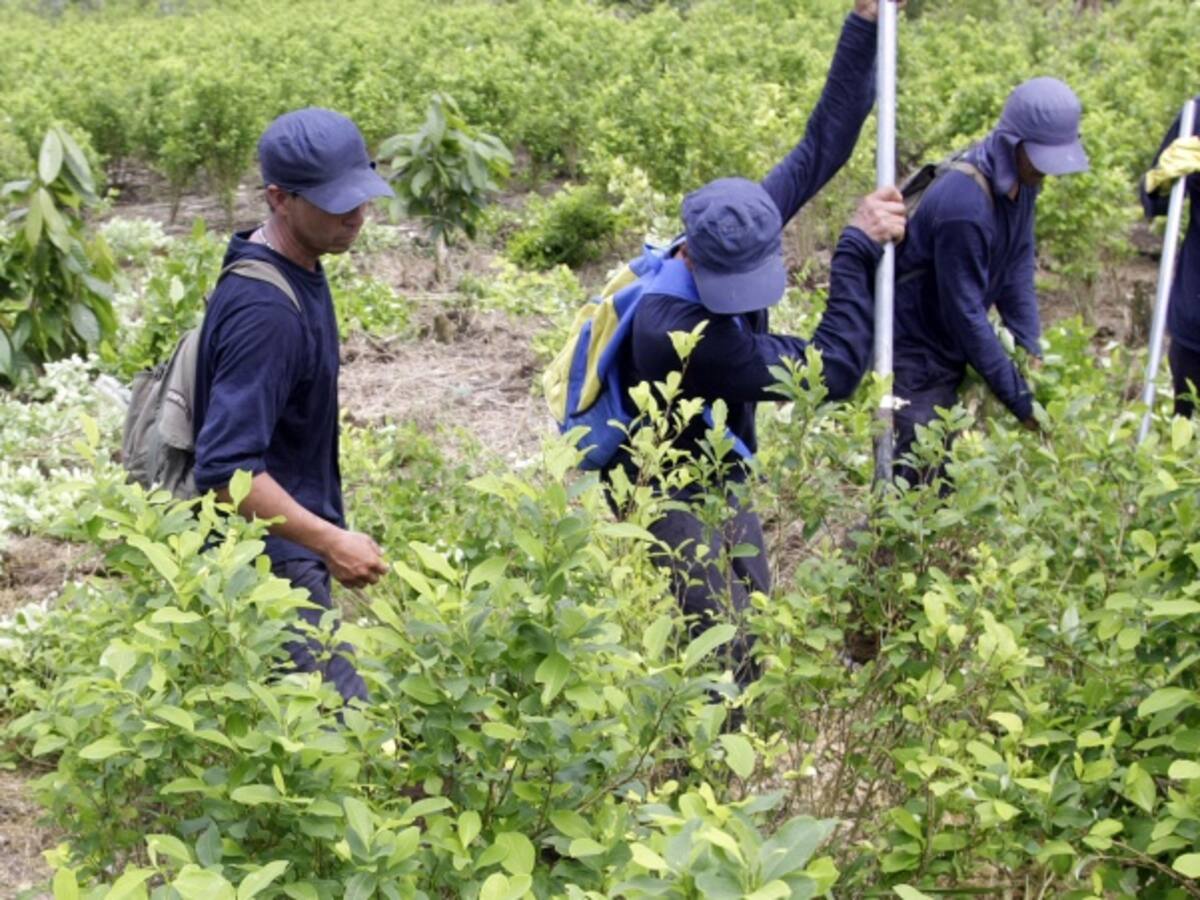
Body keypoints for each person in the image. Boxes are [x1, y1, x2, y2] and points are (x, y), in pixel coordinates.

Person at [606, 0, 907, 685]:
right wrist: (854, 250)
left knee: (757, 613)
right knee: (721, 638)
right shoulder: (676, 333)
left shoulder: (733, 224)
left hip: (721, 463)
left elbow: (822, 146)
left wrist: (863, 24)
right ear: (695, 261)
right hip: (665, 481)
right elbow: (829, 373)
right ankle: (694, 769)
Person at [192, 108, 393, 704]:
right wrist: (329, 542)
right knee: (341, 729)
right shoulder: (268, 312)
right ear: (279, 198)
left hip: (287, 542)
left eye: (361, 196)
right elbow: (227, 472)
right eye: (336, 204)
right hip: (269, 555)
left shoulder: (296, 261)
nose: (356, 215)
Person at [882, 76, 1089, 484]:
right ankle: (885, 545)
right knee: (919, 465)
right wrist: (1021, 401)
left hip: (949, 336)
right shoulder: (965, 205)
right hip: (916, 347)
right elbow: (965, 315)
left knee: (942, 464)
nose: (1048, 169)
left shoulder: (1022, 183)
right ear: (1015, 142)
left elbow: (1017, 265)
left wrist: (1029, 344)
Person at [1141, 96, 1200, 417]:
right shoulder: (1197, 114)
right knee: (1185, 429)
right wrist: (1162, 182)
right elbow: (1158, 200)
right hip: (1196, 313)